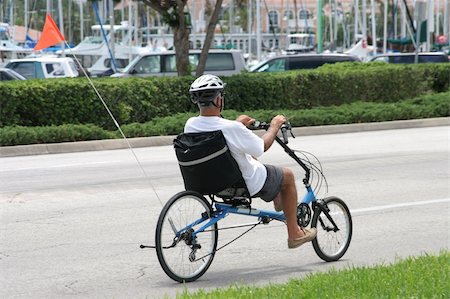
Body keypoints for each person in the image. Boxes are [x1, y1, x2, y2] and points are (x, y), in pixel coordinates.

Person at [184, 74, 317, 249]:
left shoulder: (191, 124)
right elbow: (262, 146)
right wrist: (274, 126)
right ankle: (295, 233)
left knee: (250, 158)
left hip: (210, 182)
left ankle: (279, 198)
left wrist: (238, 124)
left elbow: (217, 127)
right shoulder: (232, 129)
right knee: (287, 175)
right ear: (218, 100)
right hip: (242, 184)